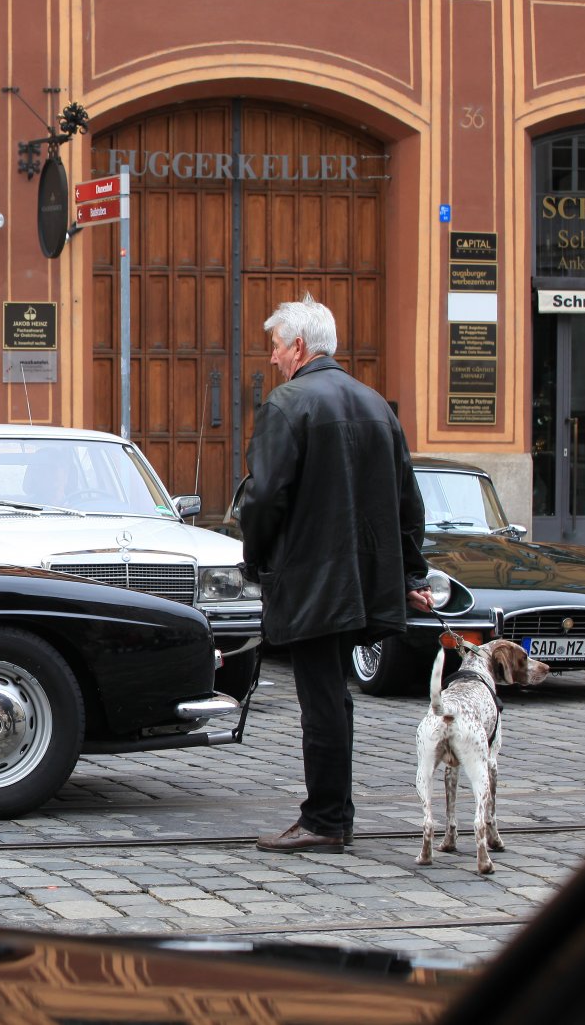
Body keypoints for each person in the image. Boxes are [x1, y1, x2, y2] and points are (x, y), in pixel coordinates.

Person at [242, 294, 434, 854]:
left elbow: (263, 498)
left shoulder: (287, 403)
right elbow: (409, 502)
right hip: (365, 576)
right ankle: (334, 816)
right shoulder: (376, 404)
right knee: (334, 695)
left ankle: (325, 819)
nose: (272, 357)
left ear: (299, 346)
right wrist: (412, 576)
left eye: (276, 346)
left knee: (322, 699)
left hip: (311, 578)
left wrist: (255, 558)